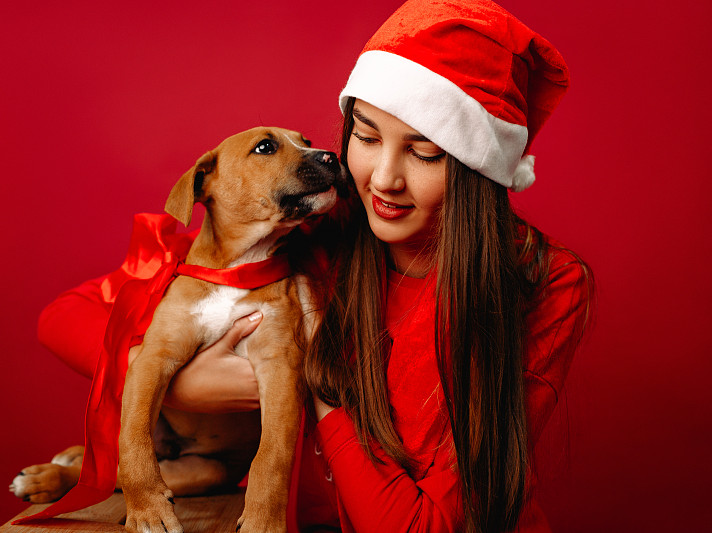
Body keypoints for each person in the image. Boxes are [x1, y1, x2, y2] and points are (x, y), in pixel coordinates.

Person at [36, 1, 593, 532]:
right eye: (366, 137)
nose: (383, 179)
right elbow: (66, 315)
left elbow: (417, 525)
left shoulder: (543, 281)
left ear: (479, 167)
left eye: (425, 153)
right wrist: (184, 382)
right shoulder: (310, 229)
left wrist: (306, 371)